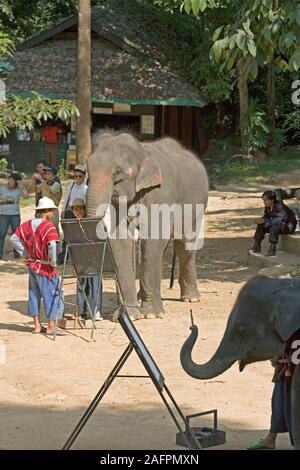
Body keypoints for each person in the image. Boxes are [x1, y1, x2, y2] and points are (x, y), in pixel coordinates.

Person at [10, 197, 65, 336]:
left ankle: (37, 326)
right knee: (53, 293)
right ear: (46, 211)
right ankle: (51, 327)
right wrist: (53, 262)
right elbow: (52, 245)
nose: (52, 214)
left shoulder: (27, 225)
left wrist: (25, 253)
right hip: (45, 266)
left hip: (32, 264)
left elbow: (13, 239)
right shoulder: (48, 226)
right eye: (51, 211)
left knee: (34, 294)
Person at [247, 333, 299, 450]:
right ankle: (271, 438)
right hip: (286, 369)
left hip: (294, 371)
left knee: (293, 407)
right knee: (279, 400)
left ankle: (297, 443)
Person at [69, 198, 103, 321]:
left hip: (93, 259)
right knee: (81, 286)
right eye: (75, 208)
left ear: (84, 209)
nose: (78, 211)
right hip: (80, 260)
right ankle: (80, 312)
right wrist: (72, 263)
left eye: (80, 208)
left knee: (95, 284)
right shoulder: (70, 225)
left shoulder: (91, 223)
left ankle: (95, 311)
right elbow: (70, 246)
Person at [250, 190, 297, 257]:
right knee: (261, 224)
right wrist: (260, 220)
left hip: (288, 226)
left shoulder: (280, 207)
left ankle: (272, 248)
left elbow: (280, 219)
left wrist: (265, 220)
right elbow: (267, 216)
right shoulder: (268, 207)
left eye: (266, 200)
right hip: (278, 225)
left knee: (275, 225)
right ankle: (257, 245)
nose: (264, 202)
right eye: (263, 200)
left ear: (272, 200)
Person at [57, 165, 88, 264]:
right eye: (76, 176)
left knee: (79, 235)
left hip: (81, 213)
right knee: (67, 235)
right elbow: (66, 198)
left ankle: (77, 258)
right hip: (70, 211)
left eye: (80, 176)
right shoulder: (71, 185)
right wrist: (63, 210)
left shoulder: (86, 188)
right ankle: (64, 256)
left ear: (84, 176)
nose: (78, 178)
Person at [0, 172, 29, 260]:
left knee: (16, 234)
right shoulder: (2, 188)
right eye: (9, 179)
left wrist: (21, 186)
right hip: (3, 214)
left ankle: (17, 253)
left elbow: (26, 196)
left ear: (16, 182)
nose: (9, 181)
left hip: (15, 215)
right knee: (1, 234)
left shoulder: (18, 189)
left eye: (11, 180)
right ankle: (0, 253)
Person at [40, 166, 62, 231]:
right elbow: (35, 189)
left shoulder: (56, 184)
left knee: (53, 228)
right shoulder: (44, 183)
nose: (46, 175)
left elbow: (50, 190)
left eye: (48, 174)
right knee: (45, 229)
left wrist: (43, 182)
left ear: (54, 176)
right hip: (44, 210)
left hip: (53, 210)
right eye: (45, 174)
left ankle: (56, 241)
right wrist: (34, 180)